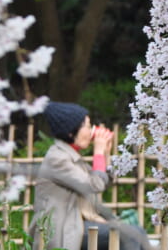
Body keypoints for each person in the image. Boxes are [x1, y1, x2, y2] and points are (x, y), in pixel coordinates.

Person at [30, 102, 150, 250]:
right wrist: (98, 153)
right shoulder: (57, 159)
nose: (91, 131)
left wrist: (105, 154)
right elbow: (94, 185)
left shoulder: (69, 155)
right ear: (70, 132)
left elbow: (103, 181)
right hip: (62, 230)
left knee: (137, 233)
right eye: (87, 126)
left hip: (77, 225)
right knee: (131, 234)